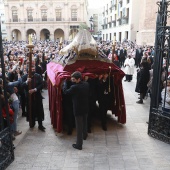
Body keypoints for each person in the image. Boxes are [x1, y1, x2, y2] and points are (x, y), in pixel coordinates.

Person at [62, 71, 89, 150]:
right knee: (85, 123)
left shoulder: (74, 87)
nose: (72, 80)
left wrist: (65, 84)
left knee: (79, 127)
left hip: (78, 109)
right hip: (85, 108)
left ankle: (79, 145)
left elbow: (66, 92)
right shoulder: (86, 84)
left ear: (78, 79)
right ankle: (85, 136)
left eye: (73, 79)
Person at [22, 65, 45, 131]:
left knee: (39, 110)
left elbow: (41, 85)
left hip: (37, 96)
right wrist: (26, 82)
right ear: (28, 70)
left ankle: (40, 125)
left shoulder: (38, 76)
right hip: (29, 98)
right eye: (31, 69)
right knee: (31, 110)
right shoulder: (24, 77)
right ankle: (32, 123)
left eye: (33, 69)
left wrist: (35, 89)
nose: (33, 70)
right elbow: (22, 86)